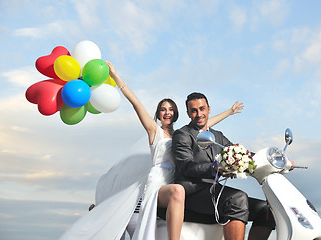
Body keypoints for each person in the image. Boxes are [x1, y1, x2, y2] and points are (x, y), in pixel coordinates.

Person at [105, 62, 245, 240]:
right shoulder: (154, 131)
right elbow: (136, 103)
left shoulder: (182, 134)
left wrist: (229, 112)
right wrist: (116, 77)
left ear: (177, 113)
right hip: (159, 184)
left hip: (176, 181)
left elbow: (206, 122)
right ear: (158, 113)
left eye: (171, 109)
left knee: (180, 190)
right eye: (163, 109)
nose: (167, 112)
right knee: (178, 191)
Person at [172, 92, 276, 240]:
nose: (199, 114)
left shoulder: (217, 135)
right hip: (193, 193)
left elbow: (241, 153)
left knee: (267, 210)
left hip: (214, 191)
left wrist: (273, 160)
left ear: (209, 109)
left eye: (202, 109)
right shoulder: (182, 134)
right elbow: (186, 166)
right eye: (194, 110)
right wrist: (213, 168)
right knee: (238, 198)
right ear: (188, 113)